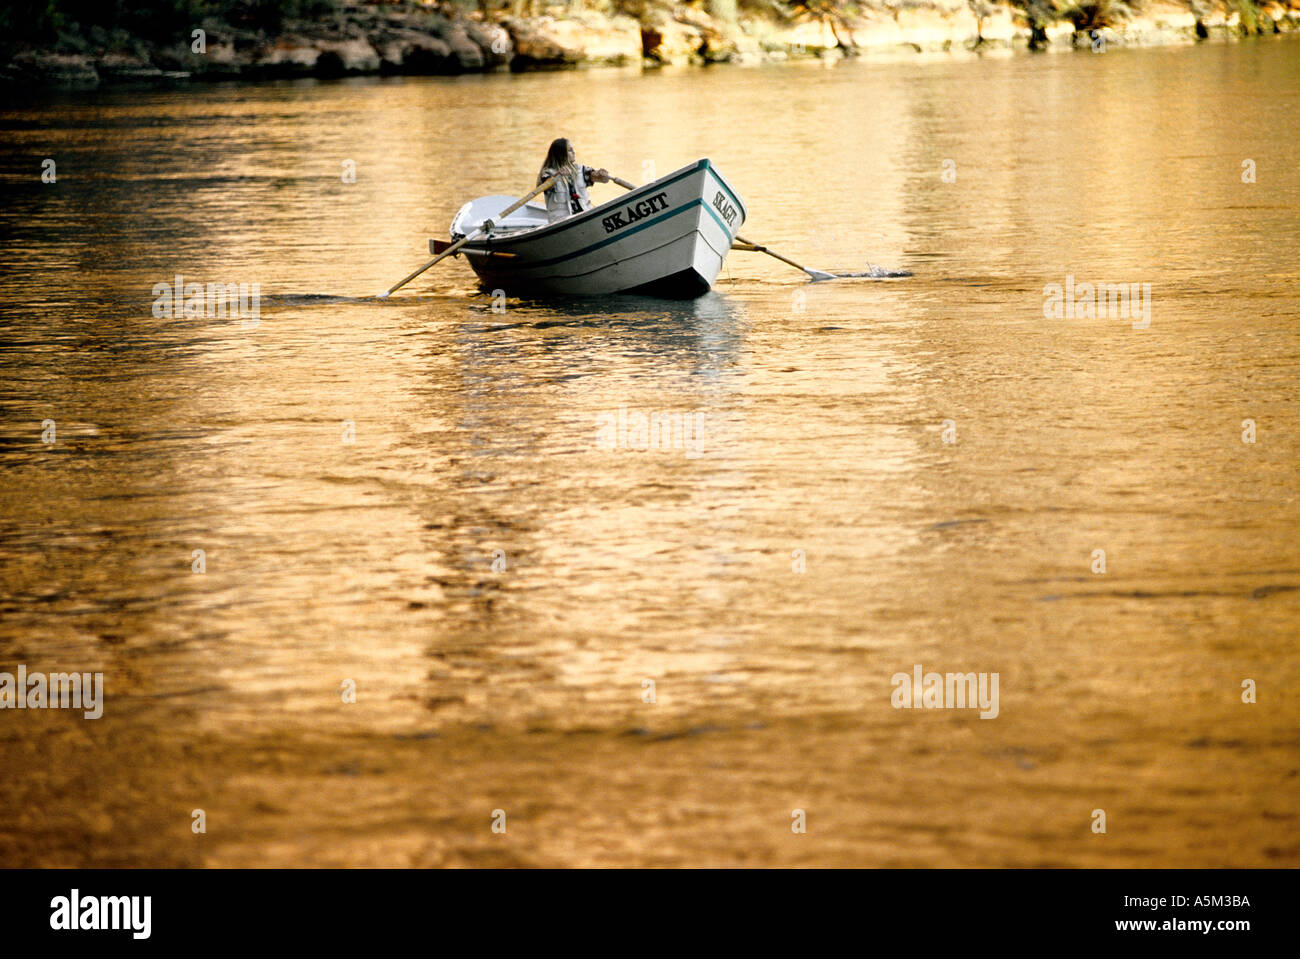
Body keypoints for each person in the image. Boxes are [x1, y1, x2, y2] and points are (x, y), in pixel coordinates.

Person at [537, 138, 610, 224]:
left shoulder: (580, 170)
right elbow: (546, 184)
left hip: (585, 217)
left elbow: (602, 179)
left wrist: (603, 175)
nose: (574, 152)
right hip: (561, 223)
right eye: (570, 150)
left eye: (573, 149)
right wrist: (557, 176)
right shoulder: (547, 174)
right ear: (561, 154)